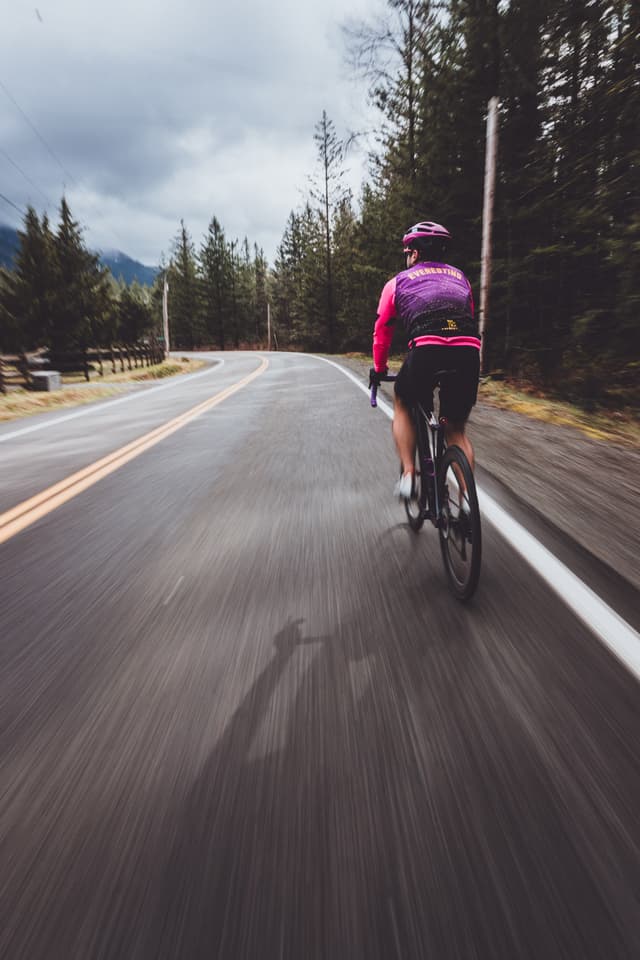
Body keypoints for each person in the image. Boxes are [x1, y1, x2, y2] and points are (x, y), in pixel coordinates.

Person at [370, 220, 481, 499]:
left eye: (407, 253)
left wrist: (380, 369)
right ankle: (467, 501)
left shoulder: (397, 283)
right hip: (468, 352)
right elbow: (468, 316)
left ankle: (409, 476)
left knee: (404, 402)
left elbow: (383, 329)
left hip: (426, 352)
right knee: (455, 428)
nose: (407, 258)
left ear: (415, 253)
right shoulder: (461, 278)